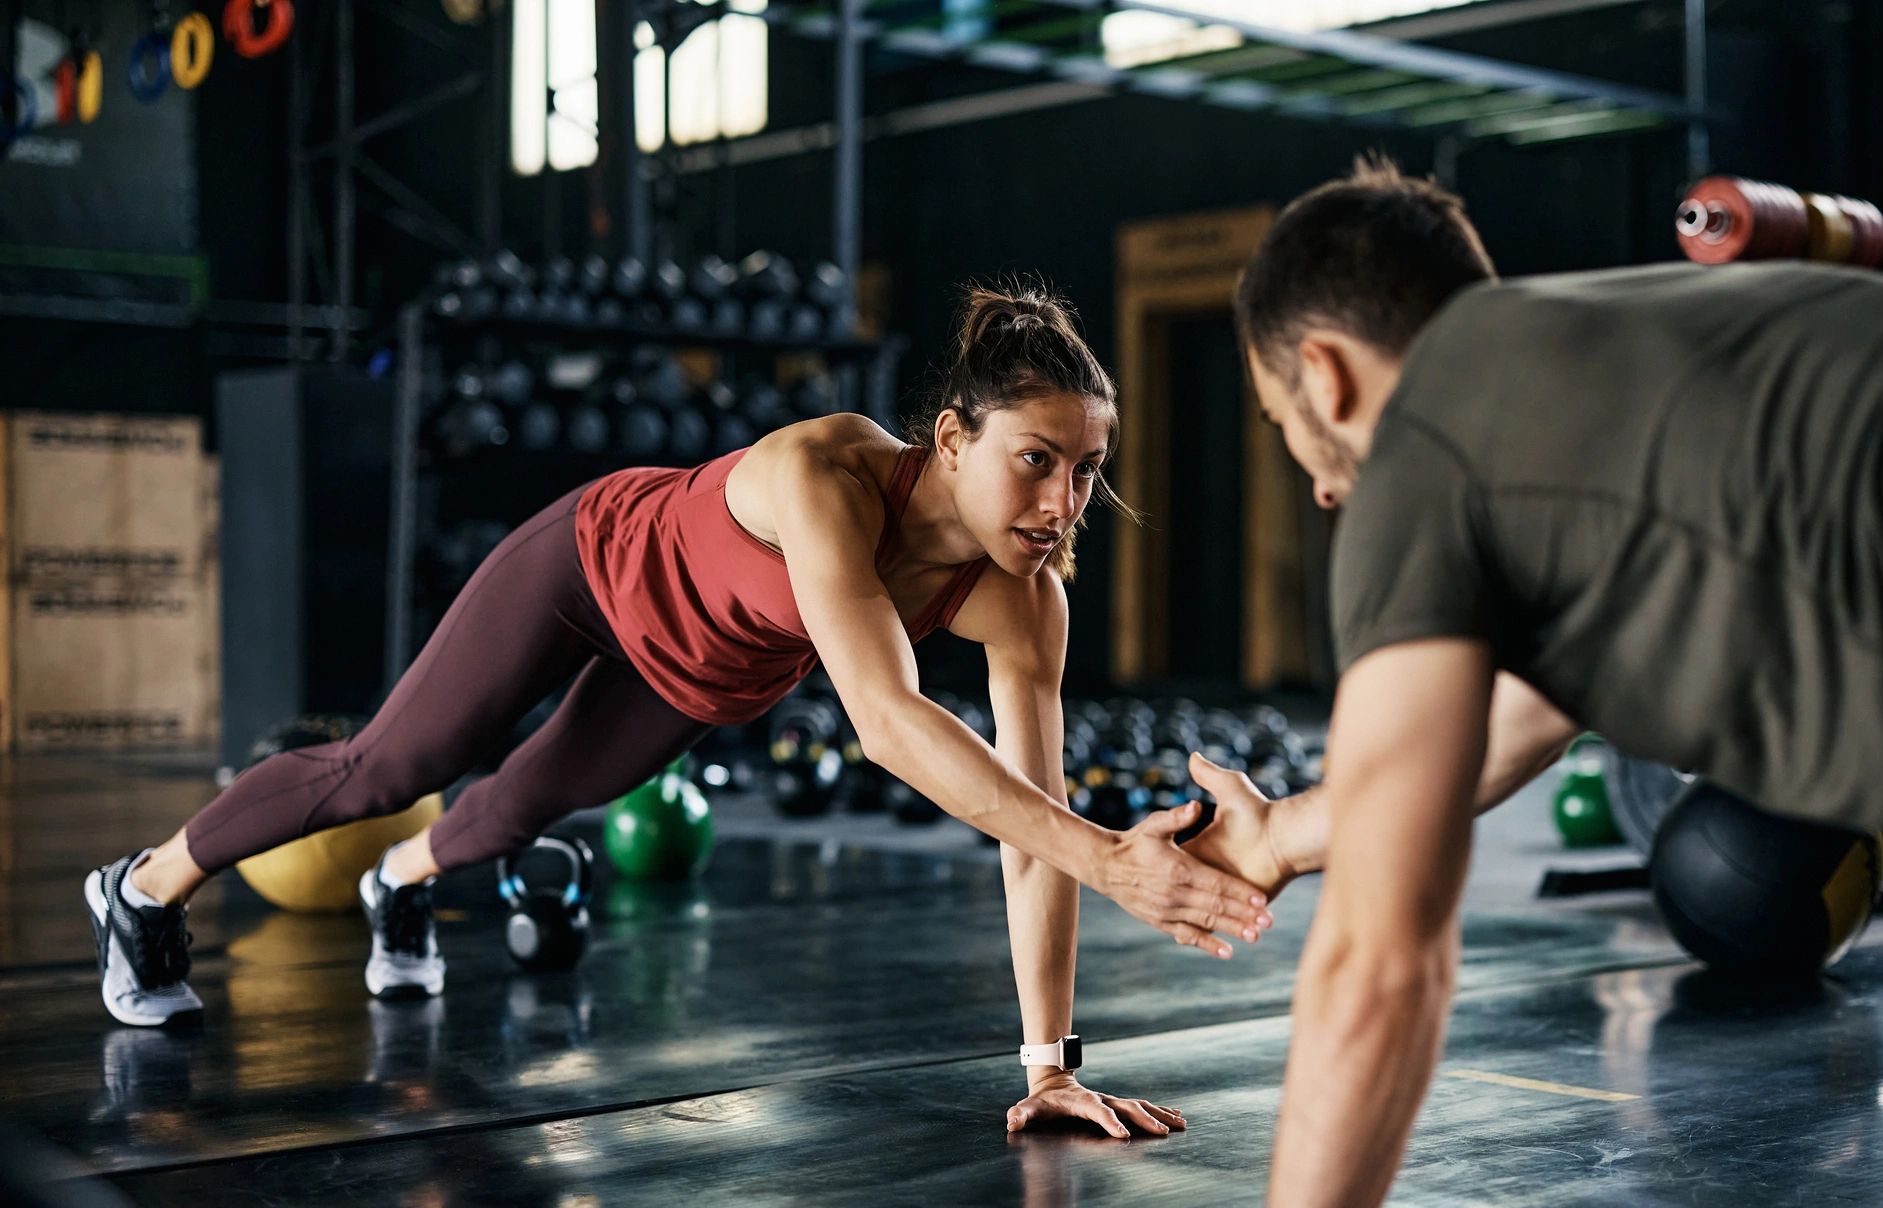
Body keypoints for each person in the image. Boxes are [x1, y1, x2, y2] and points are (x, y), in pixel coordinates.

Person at [1105, 155, 1883, 1208]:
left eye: (1286, 429)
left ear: (1324, 372)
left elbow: (1387, 956)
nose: (1319, 485)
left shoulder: (1422, 458)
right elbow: (1518, 714)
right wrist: (1273, 840)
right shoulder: (1601, 352)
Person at [84, 280, 1277, 1136]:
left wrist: (1051, 1064)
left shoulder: (1027, 603)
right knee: (390, 766)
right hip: (588, 568)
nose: (1067, 500)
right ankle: (141, 888)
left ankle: (398, 883)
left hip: (698, 673)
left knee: (525, 802)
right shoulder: (827, 478)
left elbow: (1035, 832)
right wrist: (1115, 860)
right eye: (1038, 458)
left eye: (1090, 470)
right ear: (953, 439)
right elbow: (889, 722)